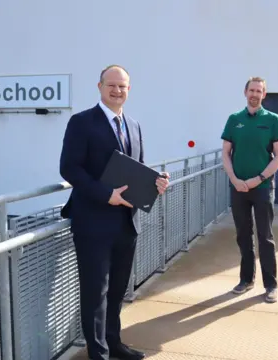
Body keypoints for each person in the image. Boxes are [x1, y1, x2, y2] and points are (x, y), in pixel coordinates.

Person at [59, 64, 170, 360]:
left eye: (123, 87)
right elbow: (69, 168)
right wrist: (106, 195)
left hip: (126, 223)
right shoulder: (81, 122)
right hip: (93, 222)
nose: (117, 90)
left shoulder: (133, 125)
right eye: (112, 85)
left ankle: (114, 343)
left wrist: (155, 184)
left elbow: (138, 170)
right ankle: (99, 354)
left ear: (129, 90)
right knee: (95, 293)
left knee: (118, 289)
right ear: (99, 86)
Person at [220, 76, 278, 303]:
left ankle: (271, 285)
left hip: (263, 188)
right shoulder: (234, 120)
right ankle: (246, 280)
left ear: (264, 94)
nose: (255, 94)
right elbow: (226, 154)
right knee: (243, 235)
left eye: (259, 91)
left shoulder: (273, 120)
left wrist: (259, 179)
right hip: (238, 188)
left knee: (265, 236)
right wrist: (234, 178)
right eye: (252, 90)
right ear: (245, 92)